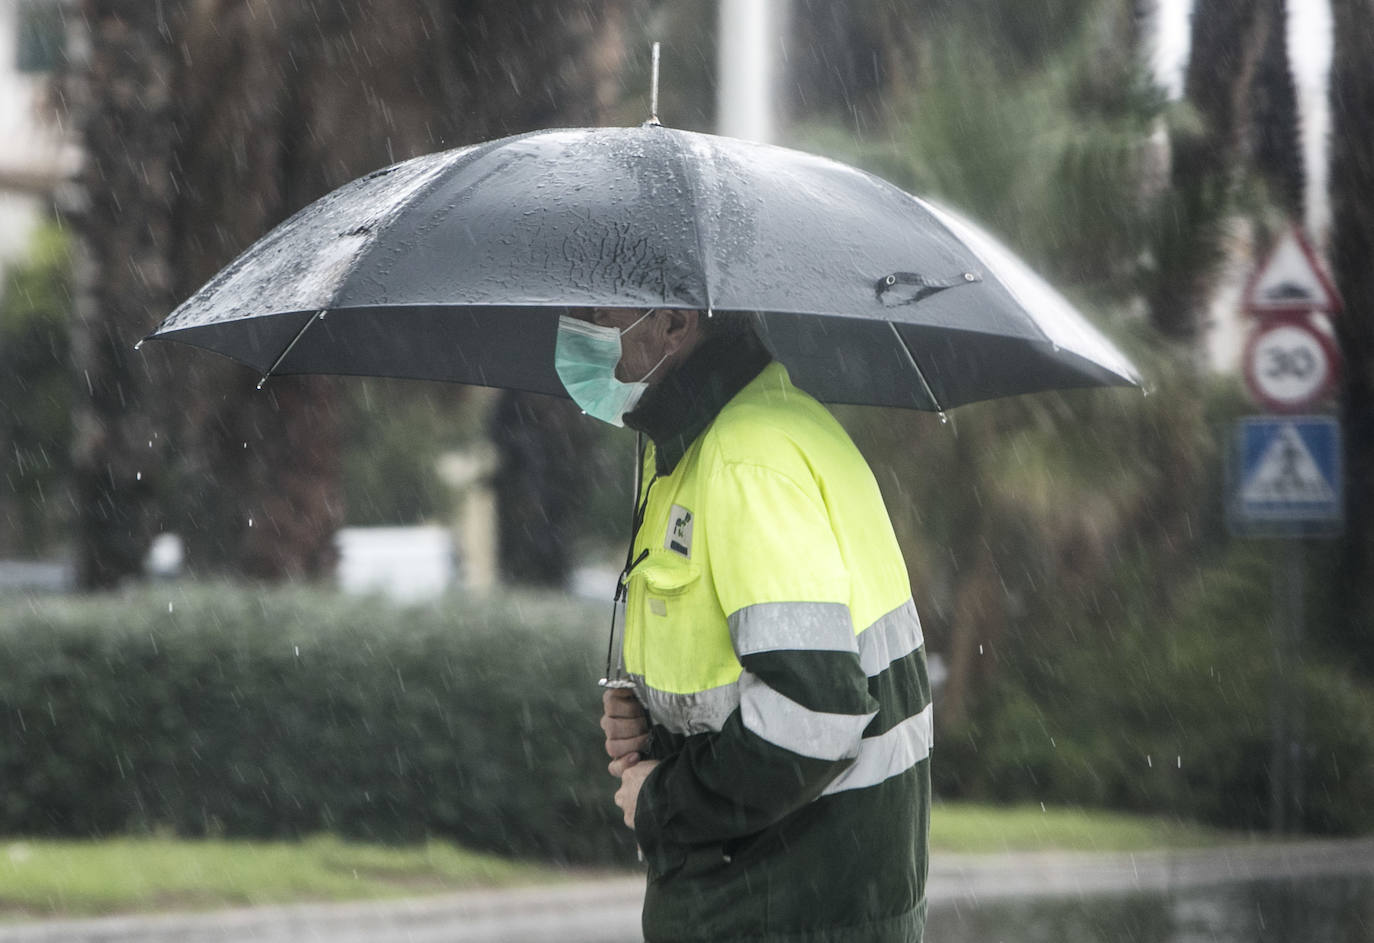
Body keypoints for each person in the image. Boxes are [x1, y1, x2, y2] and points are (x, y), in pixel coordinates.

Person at [556, 305, 933, 943]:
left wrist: (662, 797)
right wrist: (652, 725)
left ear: (674, 322)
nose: (576, 327)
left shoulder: (743, 460)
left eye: (597, 310)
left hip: (778, 907)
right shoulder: (730, 438)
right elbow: (746, 675)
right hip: (789, 898)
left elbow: (815, 716)